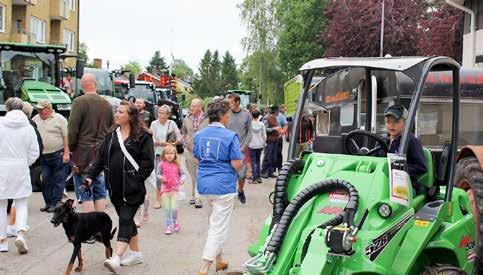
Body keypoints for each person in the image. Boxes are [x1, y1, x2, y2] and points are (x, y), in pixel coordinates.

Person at [87, 100, 154, 273]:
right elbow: (100, 160)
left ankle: (116, 257)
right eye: (117, 111)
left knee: (124, 219)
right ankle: (136, 254)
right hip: (114, 187)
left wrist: (136, 179)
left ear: (131, 116)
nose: (117, 114)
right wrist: (90, 177)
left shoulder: (143, 136)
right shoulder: (111, 135)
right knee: (127, 220)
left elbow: (148, 163)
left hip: (133, 189)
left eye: (121, 112)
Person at [194, 99, 243, 275]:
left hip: (204, 185)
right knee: (218, 228)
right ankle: (204, 267)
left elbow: (198, 159)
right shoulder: (230, 136)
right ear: (223, 116)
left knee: (214, 223)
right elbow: (237, 164)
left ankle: (220, 261)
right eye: (228, 113)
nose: (229, 116)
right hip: (223, 186)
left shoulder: (199, 135)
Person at [68, 73, 114, 213]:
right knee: (100, 190)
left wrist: (70, 148)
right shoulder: (107, 104)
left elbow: (72, 129)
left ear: (82, 85)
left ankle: (90, 228)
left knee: (85, 192)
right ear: (95, 84)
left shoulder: (79, 102)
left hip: (83, 153)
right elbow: (112, 127)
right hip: (102, 151)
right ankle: (99, 225)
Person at [0, 97, 40, 254]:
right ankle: (21, 233)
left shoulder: (1, 124)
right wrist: (25, 162)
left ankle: (2, 241)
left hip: (2, 167)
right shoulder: (28, 127)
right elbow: (34, 152)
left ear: (7, 109)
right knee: (21, 202)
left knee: (1, 205)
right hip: (21, 167)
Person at [32, 99, 70, 213]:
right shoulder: (35, 119)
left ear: (48, 109)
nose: (39, 111)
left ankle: (55, 203)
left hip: (58, 153)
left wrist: (67, 153)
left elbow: (66, 137)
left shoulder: (60, 119)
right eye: (37, 109)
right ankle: (48, 203)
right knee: (45, 180)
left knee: (59, 180)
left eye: (41, 109)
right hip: (43, 155)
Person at [383, 105, 427, 191]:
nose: (391, 125)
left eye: (396, 121)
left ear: (406, 123)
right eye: (388, 121)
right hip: (384, 181)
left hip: (404, 185)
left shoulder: (411, 141)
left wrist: (398, 168)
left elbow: (421, 167)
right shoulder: (383, 141)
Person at [150, 105, 182, 210]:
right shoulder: (154, 124)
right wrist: (161, 143)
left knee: (172, 176)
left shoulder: (172, 123)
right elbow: (151, 140)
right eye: (159, 112)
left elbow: (179, 137)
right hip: (159, 154)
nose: (160, 114)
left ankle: (171, 197)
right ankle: (158, 200)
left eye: (163, 113)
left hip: (170, 155)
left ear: (168, 115)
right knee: (159, 177)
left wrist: (173, 143)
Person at [182, 98, 209, 209]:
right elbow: (183, 132)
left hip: (202, 151)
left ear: (200, 107)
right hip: (189, 150)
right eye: (191, 106)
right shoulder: (187, 118)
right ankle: (193, 195)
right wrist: (185, 142)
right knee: (193, 175)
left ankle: (199, 198)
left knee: (199, 174)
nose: (191, 108)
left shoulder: (207, 119)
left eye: (194, 106)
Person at [227, 94, 252, 204]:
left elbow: (249, 133)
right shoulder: (226, 114)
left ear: (237, 102)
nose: (229, 105)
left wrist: (243, 147)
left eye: (231, 102)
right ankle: (229, 195)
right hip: (228, 148)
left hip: (240, 149)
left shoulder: (246, 115)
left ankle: (240, 190)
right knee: (229, 173)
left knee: (241, 174)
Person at [156, 145, 185, 235]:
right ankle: (168, 225)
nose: (169, 155)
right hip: (165, 190)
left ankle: (175, 221)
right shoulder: (161, 164)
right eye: (167, 153)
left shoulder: (177, 164)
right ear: (164, 155)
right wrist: (161, 178)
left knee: (174, 208)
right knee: (167, 209)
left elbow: (183, 174)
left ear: (175, 155)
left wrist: (182, 180)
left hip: (174, 189)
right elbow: (157, 173)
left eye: (171, 153)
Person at [261, 105, 281, 178]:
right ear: (275, 111)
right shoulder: (267, 117)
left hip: (275, 140)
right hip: (269, 141)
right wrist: (274, 129)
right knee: (267, 156)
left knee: (273, 157)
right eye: (278, 111)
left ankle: (271, 171)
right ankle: (263, 171)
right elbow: (264, 129)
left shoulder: (275, 118)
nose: (279, 112)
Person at [248, 110, 266, 184]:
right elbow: (264, 135)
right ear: (259, 116)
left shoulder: (249, 124)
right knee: (258, 161)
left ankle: (254, 178)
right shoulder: (261, 124)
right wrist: (264, 143)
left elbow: (247, 135)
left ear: (252, 115)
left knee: (253, 161)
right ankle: (259, 177)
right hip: (260, 144)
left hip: (252, 144)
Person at [276, 104, 288, 172]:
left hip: (277, 137)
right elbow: (286, 124)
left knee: (277, 152)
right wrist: (283, 131)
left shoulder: (281, 116)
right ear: (281, 109)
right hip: (275, 137)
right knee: (277, 153)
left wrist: (283, 131)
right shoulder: (281, 116)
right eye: (285, 109)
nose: (285, 110)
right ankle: (277, 167)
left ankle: (277, 167)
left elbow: (285, 124)